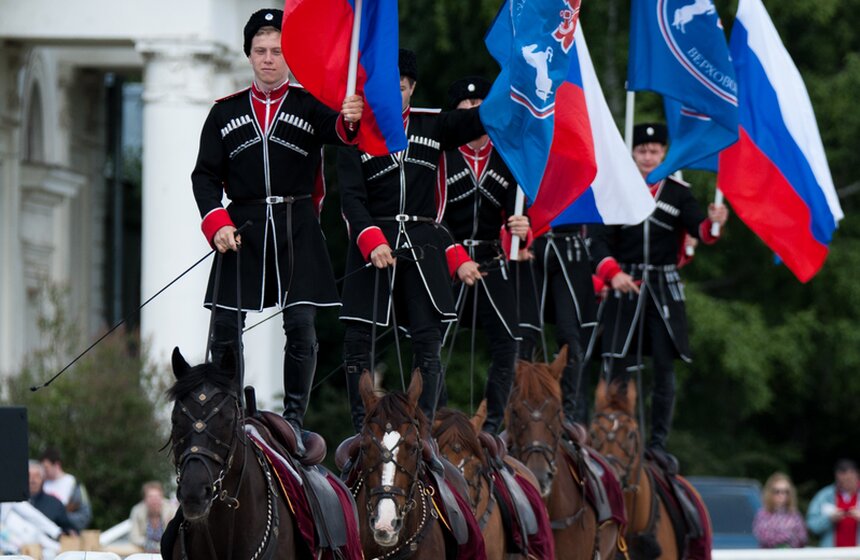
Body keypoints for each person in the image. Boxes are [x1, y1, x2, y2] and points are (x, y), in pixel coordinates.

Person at [191, 8, 363, 445]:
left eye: (277, 51)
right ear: (249, 55)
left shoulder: (310, 105)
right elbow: (205, 177)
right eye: (261, 50)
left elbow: (344, 133)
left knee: (301, 326)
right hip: (242, 227)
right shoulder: (223, 114)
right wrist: (217, 224)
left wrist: (349, 116)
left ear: (289, 57)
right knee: (227, 326)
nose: (269, 58)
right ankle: (230, 410)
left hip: (297, 224)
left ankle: (294, 420)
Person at [338, 49, 486, 432]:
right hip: (372, 246)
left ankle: (427, 425)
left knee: (427, 340)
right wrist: (372, 240)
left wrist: (519, 80)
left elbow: (481, 119)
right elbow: (351, 198)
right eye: (385, 89)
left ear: (412, 88)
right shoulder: (356, 131)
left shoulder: (433, 125)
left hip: (422, 244)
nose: (393, 96)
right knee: (359, 339)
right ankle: (361, 428)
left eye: (400, 88)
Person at [589, 123, 729, 465]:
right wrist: (613, 272)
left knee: (665, 367)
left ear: (664, 153)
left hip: (664, 290)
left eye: (654, 151)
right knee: (616, 363)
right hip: (626, 283)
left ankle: (658, 443)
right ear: (632, 153)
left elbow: (698, 227)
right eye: (642, 151)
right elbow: (598, 240)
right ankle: (615, 435)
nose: (648, 157)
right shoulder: (618, 188)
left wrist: (714, 222)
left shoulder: (679, 192)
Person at [438, 76, 531, 434]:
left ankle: (492, 427)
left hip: (492, 262)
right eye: (467, 108)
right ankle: (439, 420)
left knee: (509, 342)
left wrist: (522, 229)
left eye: (481, 107)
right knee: (433, 342)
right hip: (449, 260)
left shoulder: (509, 156)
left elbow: (515, 216)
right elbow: (433, 215)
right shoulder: (442, 157)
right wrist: (457, 258)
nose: (476, 114)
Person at [807, 459, 860, 546]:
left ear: (857, 475)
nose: (847, 483)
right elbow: (812, 526)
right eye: (843, 480)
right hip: (832, 555)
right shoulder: (824, 496)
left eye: (850, 480)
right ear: (837, 477)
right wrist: (829, 519)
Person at [40, 447, 92, 532]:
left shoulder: (73, 483)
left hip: (67, 534)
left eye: (46, 468)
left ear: (57, 465)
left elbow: (85, 514)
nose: (44, 471)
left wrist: (63, 520)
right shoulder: (41, 484)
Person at [753, 472, 807, 548]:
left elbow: (802, 538)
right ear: (770, 493)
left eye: (785, 492)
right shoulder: (763, 514)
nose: (781, 495)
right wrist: (788, 536)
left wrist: (780, 536)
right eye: (777, 491)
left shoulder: (795, 515)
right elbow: (764, 537)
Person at [27, 460, 75, 534]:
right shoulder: (12, 503)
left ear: (42, 479)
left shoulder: (55, 504)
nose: (32, 480)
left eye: (37, 476)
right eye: (29, 475)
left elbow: (68, 530)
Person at [129, 481, 176, 553]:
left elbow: (175, 535)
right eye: (150, 497)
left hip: (168, 550)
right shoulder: (137, 511)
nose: (154, 500)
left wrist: (160, 545)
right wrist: (146, 543)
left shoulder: (171, 509)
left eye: (157, 496)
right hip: (144, 551)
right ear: (145, 499)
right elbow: (134, 536)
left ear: (162, 497)